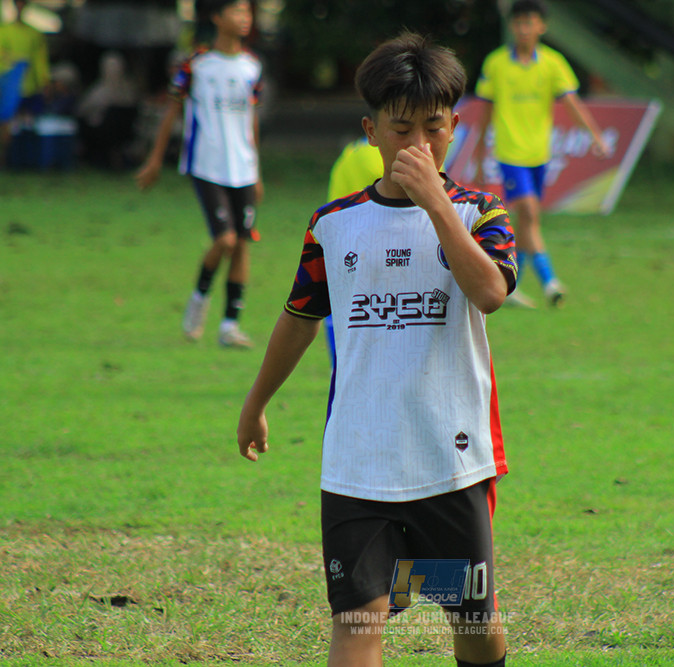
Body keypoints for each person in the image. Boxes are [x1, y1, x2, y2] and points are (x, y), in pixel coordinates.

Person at [237, 32, 515, 667]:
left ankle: (435, 598)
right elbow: (299, 318)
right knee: (359, 619)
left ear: (455, 129)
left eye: (433, 127)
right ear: (370, 130)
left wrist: (436, 206)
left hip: (450, 458)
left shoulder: (479, 213)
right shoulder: (333, 225)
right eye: (400, 128)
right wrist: (256, 403)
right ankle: (382, 592)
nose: (417, 144)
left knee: (473, 622)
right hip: (358, 463)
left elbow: (490, 292)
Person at [136, 0, 264, 349]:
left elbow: (250, 121)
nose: (243, 19)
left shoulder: (252, 66)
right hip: (206, 165)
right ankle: (197, 303)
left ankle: (229, 327)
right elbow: (172, 110)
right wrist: (155, 160)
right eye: (236, 12)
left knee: (242, 243)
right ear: (217, 17)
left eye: (247, 13)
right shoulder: (195, 64)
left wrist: (257, 170)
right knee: (224, 240)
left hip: (242, 168)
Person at [473, 0, 607, 307]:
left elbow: (572, 103)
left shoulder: (552, 63)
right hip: (509, 155)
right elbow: (484, 115)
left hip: (539, 156)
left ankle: (509, 285)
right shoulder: (496, 64)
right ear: (512, 26)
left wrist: (595, 136)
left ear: (541, 26)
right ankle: (550, 282)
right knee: (530, 214)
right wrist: (480, 157)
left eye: (529, 22)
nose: (523, 28)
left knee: (527, 221)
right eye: (518, 22)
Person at [323, 136, 382, 364]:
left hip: (340, 244)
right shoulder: (403, 159)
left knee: (342, 312)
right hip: (377, 249)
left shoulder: (352, 151)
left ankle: (340, 371)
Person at [0, 0, 50, 152]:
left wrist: (44, 82)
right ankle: (5, 158)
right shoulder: (2, 32)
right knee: (7, 122)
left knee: (29, 122)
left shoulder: (34, 34)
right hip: (10, 87)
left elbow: (40, 60)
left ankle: (27, 157)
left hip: (29, 85)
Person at [78, 51, 139, 169]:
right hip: (123, 134)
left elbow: (81, 110)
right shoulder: (130, 89)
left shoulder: (100, 90)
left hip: (103, 134)